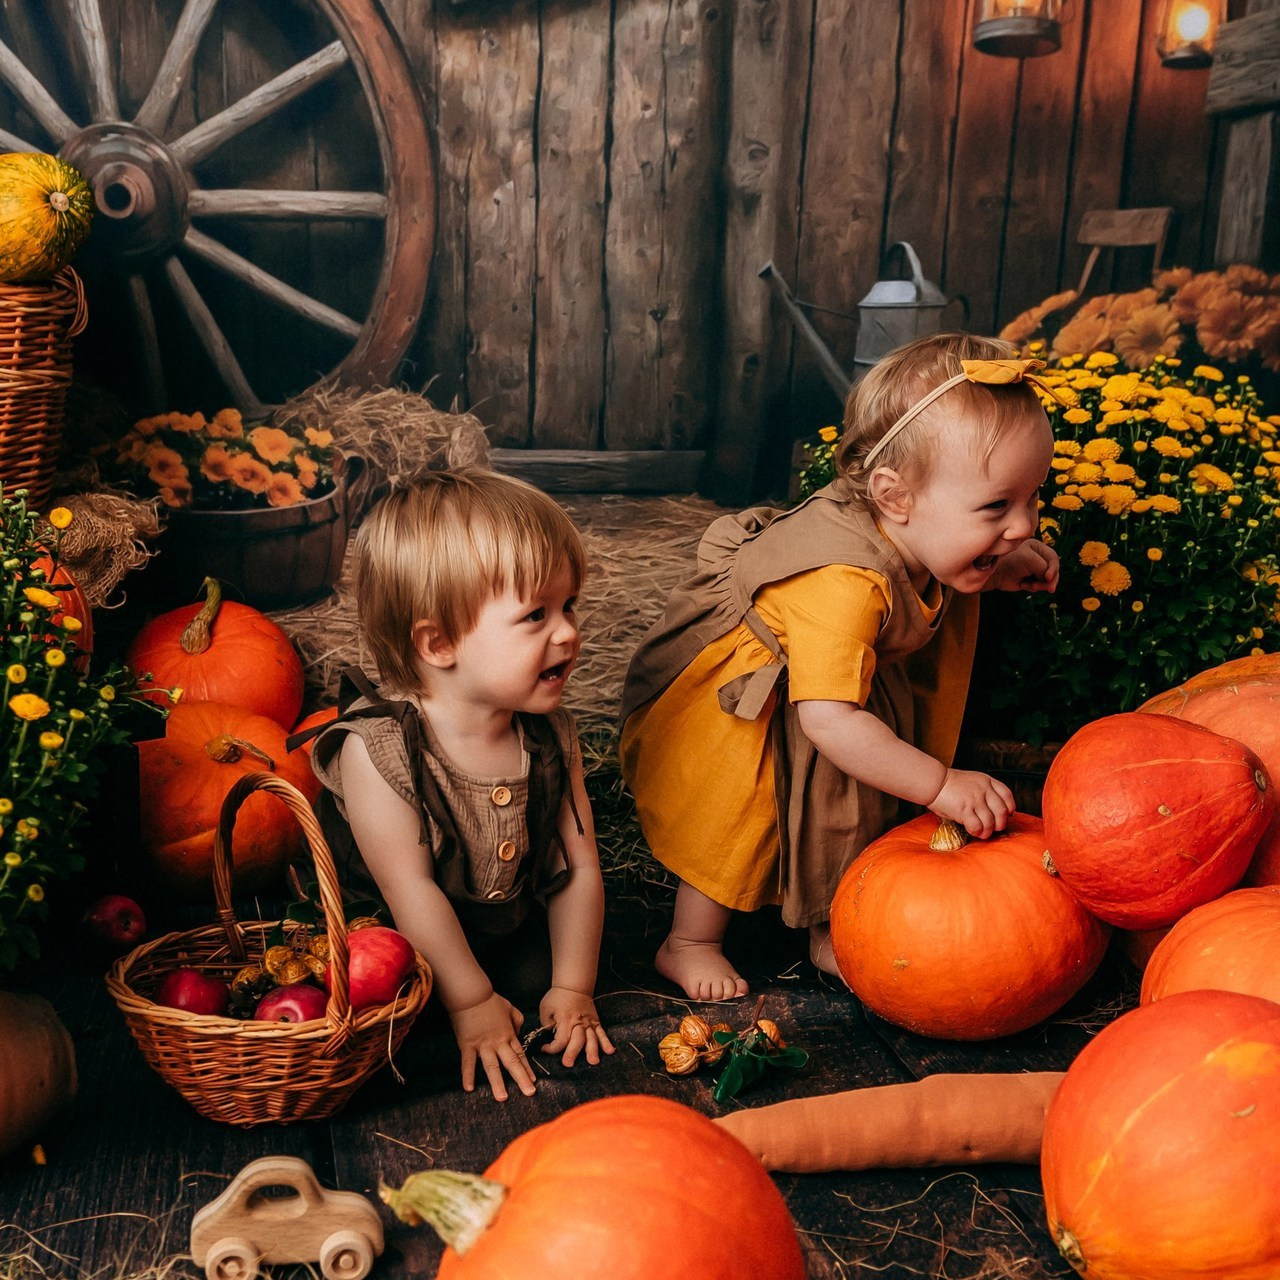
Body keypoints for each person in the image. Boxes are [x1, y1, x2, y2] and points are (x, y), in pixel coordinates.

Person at [619, 333, 1061, 1001]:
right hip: (760, 701)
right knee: (735, 823)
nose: (1024, 524)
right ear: (895, 497)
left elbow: (938, 559)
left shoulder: (916, 526)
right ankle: (688, 942)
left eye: (1031, 499)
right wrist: (940, 785)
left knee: (853, 804)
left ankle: (837, 920)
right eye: (997, 508)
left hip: (833, 691)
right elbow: (829, 720)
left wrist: (998, 560)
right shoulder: (843, 583)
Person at [310, 469, 614, 1101]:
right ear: (439, 642)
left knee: (541, 981)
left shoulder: (550, 737)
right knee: (402, 1012)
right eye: (536, 615)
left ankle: (510, 986)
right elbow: (409, 889)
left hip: (503, 918)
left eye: (569, 606)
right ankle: (462, 998)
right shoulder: (380, 751)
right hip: (402, 933)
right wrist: (471, 1001)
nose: (567, 633)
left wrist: (575, 986)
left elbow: (580, 868)